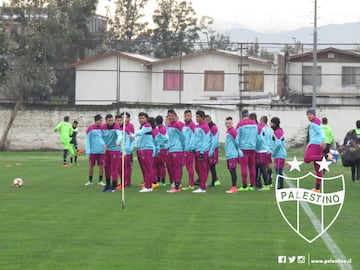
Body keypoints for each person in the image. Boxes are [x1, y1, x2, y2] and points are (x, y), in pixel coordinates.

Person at [304, 108, 326, 192]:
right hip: (317, 145)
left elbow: (321, 131)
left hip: (315, 145)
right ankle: (317, 188)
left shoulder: (314, 122)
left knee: (306, 159)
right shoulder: (316, 122)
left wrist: (323, 139)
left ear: (314, 115)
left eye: (310, 114)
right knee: (318, 169)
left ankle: (321, 157)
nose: (309, 116)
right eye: (308, 115)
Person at [133, 112, 155, 193]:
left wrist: (133, 134)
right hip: (143, 149)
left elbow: (140, 133)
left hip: (147, 149)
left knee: (148, 168)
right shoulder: (142, 127)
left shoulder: (147, 126)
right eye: (140, 118)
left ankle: (149, 186)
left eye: (143, 118)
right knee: (145, 169)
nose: (141, 120)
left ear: (146, 119)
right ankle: (147, 185)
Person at [236, 109, 258, 191]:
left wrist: (237, 148)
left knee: (243, 166)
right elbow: (257, 136)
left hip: (243, 148)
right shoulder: (254, 124)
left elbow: (237, 138)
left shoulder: (240, 124)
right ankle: (252, 184)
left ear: (242, 116)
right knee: (252, 166)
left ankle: (244, 185)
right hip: (252, 148)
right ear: (248, 115)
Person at [101, 114, 122, 192]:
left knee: (114, 168)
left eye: (112, 120)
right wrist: (103, 144)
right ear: (106, 121)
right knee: (106, 167)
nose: (111, 122)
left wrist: (118, 141)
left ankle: (114, 186)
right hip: (107, 150)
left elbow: (119, 135)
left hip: (115, 150)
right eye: (109, 120)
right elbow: (101, 137)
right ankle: (107, 185)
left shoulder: (116, 126)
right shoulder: (103, 127)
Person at [166, 109, 185, 193]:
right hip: (171, 149)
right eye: (169, 115)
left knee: (177, 167)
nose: (170, 117)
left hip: (177, 149)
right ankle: (176, 184)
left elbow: (183, 137)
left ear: (175, 116)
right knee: (174, 168)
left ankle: (177, 187)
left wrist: (183, 147)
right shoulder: (169, 125)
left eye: (172, 115)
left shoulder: (177, 125)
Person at [192, 110, 210, 193]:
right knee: (197, 168)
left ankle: (202, 188)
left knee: (202, 169)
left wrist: (202, 152)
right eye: (196, 116)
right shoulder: (196, 127)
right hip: (197, 150)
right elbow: (195, 139)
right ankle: (202, 183)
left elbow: (205, 141)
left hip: (202, 151)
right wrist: (193, 147)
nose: (196, 118)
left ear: (202, 118)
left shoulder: (205, 127)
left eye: (198, 117)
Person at [85, 114, 106, 186]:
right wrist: (88, 151)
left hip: (102, 151)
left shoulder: (103, 128)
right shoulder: (90, 128)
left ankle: (100, 181)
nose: (101, 122)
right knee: (91, 166)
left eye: (101, 120)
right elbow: (87, 140)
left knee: (101, 166)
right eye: (100, 120)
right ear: (96, 121)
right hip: (92, 151)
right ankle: (90, 181)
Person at [115, 114, 135, 190]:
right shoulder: (115, 130)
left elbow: (132, 139)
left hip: (125, 151)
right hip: (117, 151)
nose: (119, 122)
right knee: (119, 168)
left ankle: (126, 182)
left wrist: (129, 149)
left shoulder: (126, 129)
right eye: (117, 120)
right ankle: (123, 182)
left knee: (126, 167)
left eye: (120, 120)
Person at [224, 116, 243, 193]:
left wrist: (238, 150)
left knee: (233, 170)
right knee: (231, 170)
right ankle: (233, 186)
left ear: (232, 123)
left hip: (232, 154)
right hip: (229, 154)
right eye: (226, 123)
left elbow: (237, 142)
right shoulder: (228, 131)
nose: (227, 124)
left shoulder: (233, 131)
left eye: (229, 123)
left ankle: (234, 187)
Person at [255, 116, 272, 190]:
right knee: (266, 166)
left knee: (261, 167)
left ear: (262, 120)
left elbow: (261, 139)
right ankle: (269, 180)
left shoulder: (261, 127)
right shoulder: (268, 128)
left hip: (262, 149)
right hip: (268, 149)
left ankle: (263, 183)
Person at [270, 117, 286, 189]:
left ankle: (280, 187)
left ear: (274, 123)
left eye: (271, 123)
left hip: (279, 154)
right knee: (278, 170)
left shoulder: (278, 132)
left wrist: (274, 152)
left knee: (279, 170)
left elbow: (278, 144)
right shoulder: (277, 131)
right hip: (278, 154)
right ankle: (280, 186)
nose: (270, 124)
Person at [182, 110, 196, 190]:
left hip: (189, 150)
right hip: (185, 149)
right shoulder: (184, 126)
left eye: (188, 115)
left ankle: (191, 184)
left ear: (191, 116)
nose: (187, 117)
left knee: (190, 167)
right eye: (185, 115)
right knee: (187, 167)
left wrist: (190, 148)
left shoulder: (192, 125)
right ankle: (190, 183)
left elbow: (193, 138)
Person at [205, 115, 221, 187]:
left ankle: (214, 182)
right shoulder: (209, 127)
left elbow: (215, 140)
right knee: (210, 166)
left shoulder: (213, 128)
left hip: (213, 149)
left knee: (212, 166)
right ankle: (215, 180)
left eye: (206, 121)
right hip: (210, 148)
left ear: (208, 120)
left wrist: (212, 150)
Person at [155, 115, 169, 186]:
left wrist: (159, 143)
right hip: (160, 149)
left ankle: (162, 180)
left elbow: (166, 138)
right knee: (158, 164)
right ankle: (159, 179)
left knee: (161, 164)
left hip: (162, 149)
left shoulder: (162, 129)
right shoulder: (160, 128)